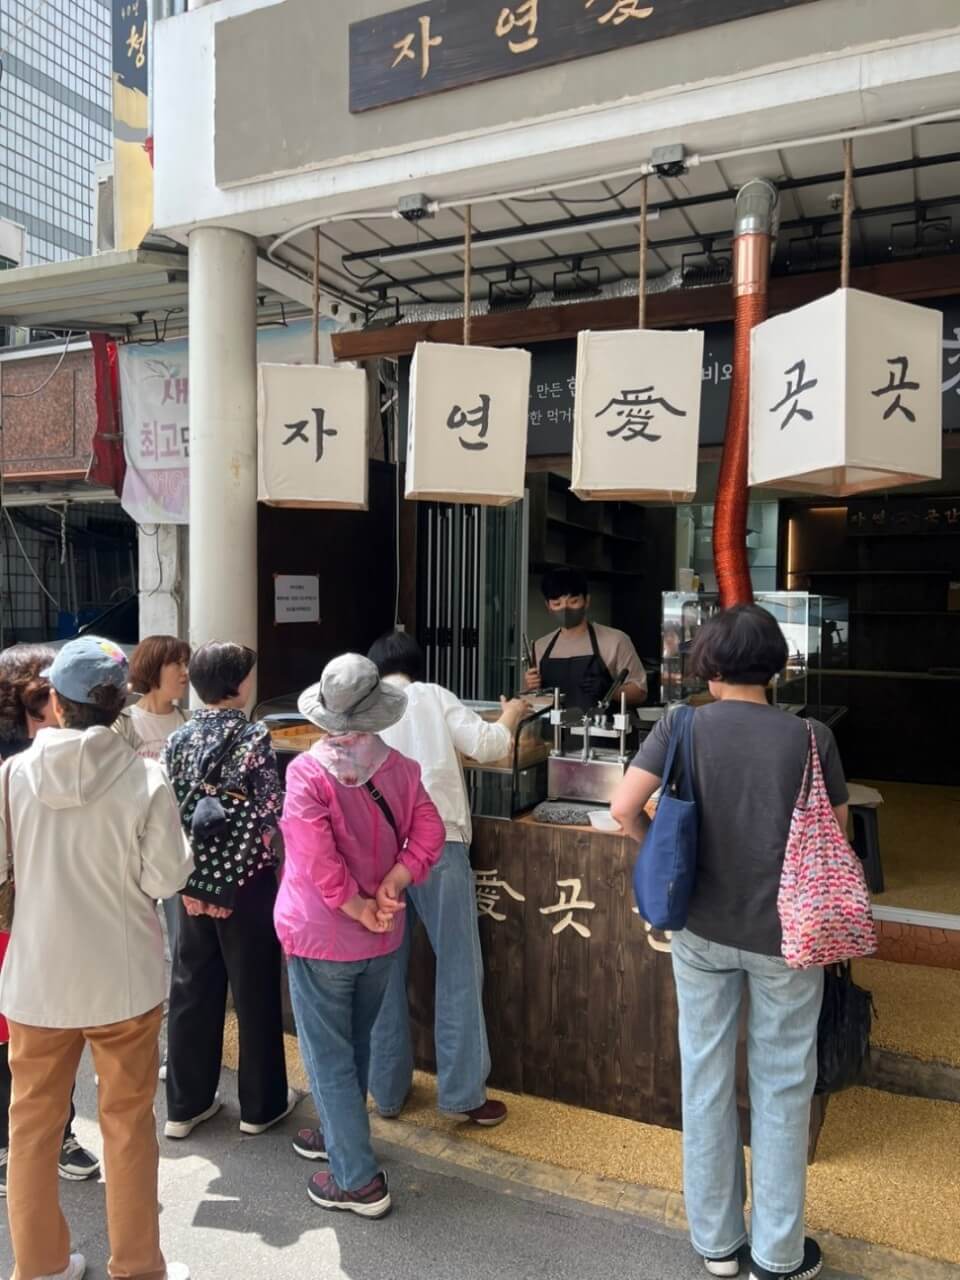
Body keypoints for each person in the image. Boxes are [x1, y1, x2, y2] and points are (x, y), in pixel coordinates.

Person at [610, 605, 849, 1280]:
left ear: (709, 667)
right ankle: (777, 1255)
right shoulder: (811, 738)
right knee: (783, 1085)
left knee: (707, 1077)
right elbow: (837, 839)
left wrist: (660, 849)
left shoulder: (681, 725)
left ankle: (717, 1244)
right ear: (775, 668)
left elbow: (622, 809)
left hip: (701, 930)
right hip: (786, 936)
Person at [0, 636, 193, 1280]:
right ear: (118, 706)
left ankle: (40, 1266)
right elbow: (166, 878)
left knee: (31, 1128)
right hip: (123, 978)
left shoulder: (12, 775)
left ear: (56, 702)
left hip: (36, 979)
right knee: (129, 1125)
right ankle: (137, 1267)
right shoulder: (145, 778)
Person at [276, 654, 445, 1218]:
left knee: (329, 1056)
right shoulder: (402, 769)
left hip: (322, 936)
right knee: (356, 1043)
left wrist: (356, 907)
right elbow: (429, 831)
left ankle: (357, 1181)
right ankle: (337, 1133)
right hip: (381, 937)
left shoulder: (307, 775)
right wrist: (394, 883)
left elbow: (316, 861)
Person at [367, 630, 527, 1126]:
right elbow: (487, 745)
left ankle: (387, 1091)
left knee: (383, 972)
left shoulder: (367, 709)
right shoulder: (432, 695)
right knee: (458, 966)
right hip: (438, 844)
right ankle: (462, 1094)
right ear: (416, 665)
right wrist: (511, 714)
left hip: (378, 853)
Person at [162, 641, 294, 1141]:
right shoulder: (254, 735)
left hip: (192, 878)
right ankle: (260, 1106)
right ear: (237, 685)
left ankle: (185, 1105)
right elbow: (269, 810)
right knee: (254, 987)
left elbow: (167, 805)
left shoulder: (179, 737)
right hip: (245, 880)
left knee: (192, 985)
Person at [0, 644, 100, 1196]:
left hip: (46, 914)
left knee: (52, 1028)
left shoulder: (64, 756)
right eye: (42, 709)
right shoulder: (12, 767)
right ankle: (11, 1144)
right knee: (11, 1035)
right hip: (9, 916)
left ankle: (58, 1133)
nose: (56, 718)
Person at [115, 634, 191, 1004]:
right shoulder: (124, 724)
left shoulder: (188, 722)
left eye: (186, 663)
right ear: (152, 669)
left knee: (182, 946)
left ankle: (175, 1022)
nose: (185, 672)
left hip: (176, 846)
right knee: (130, 944)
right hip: (131, 848)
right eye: (176, 664)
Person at [524, 567, 647, 711]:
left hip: (600, 725)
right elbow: (529, 703)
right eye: (557, 604)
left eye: (573, 601)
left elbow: (640, 693)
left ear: (587, 601)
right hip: (553, 725)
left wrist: (610, 691)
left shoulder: (615, 640)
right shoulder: (540, 647)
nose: (565, 609)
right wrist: (531, 687)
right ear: (548, 606)